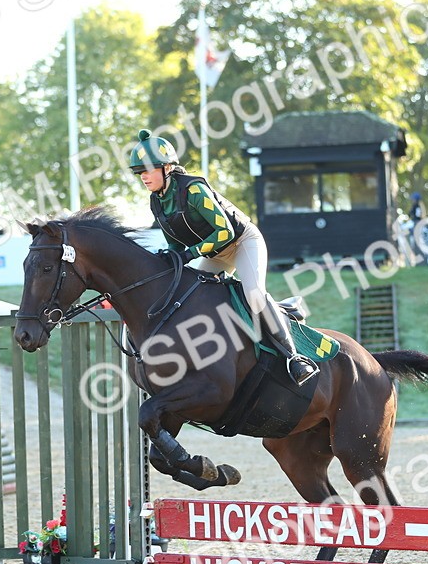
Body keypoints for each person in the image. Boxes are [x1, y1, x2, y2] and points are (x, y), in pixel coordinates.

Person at [128, 129, 317, 385]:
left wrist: (191, 254)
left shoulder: (193, 190)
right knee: (191, 298)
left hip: (242, 242)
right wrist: (168, 261)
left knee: (253, 295)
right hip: (214, 252)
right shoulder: (157, 201)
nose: (143, 177)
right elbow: (174, 242)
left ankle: (294, 358)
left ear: (167, 167)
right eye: (139, 172)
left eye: (147, 170)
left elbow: (225, 231)